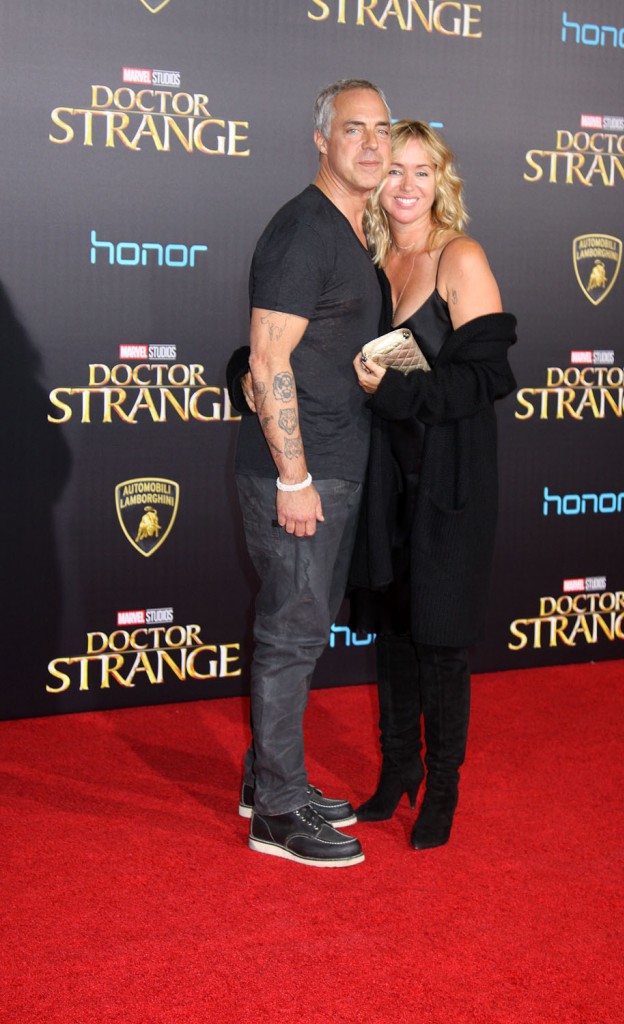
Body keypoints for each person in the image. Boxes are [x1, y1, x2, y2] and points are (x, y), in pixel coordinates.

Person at [225, 80, 392, 867]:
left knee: (301, 630)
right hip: (300, 473)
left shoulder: (350, 228)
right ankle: (277, 813)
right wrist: (294, 477)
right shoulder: (304, 230)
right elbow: (267, 360)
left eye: (381, 129)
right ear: (321, 139)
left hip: (332, 463)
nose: (371, 143)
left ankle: (268, 779)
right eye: (353, 129)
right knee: (291, 636)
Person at [349, 120, 517, 850]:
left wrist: (390, 390)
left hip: (448, 480)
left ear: (440, 180)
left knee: (441, 642)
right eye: (394, 169)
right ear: (374, 179)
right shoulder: (370, 262)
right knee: (393, 631)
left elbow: (486, 378)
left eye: (422, 170)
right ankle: (398, 769)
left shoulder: (460, 256)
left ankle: (442, 787)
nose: (407, 185)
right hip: (384, 479)